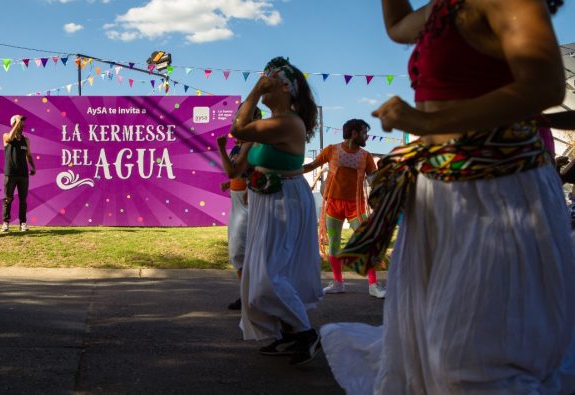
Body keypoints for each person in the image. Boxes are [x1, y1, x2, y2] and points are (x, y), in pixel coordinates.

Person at [320, 0, 575, 393]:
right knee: (429, 346)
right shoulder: (445, 6)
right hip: (441, 191)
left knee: (478, 359)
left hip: (495, 189)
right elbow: (399, 26)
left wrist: (429, 122)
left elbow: (545, 83)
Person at [231, 57, 323, 367]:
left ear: (285, 88)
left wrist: (256, 89)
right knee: (262, 271)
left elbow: (238, 127)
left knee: (268, 275)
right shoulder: (270, 124)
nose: (264, 83)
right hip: (265, 199)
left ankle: (306, 333)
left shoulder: (288, 122)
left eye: (271, 80)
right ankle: (289, 332)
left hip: (284, 199)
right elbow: (240, 154)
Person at [301, 119, 385, 298]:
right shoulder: (332, 150)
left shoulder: (366, 156)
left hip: (357, 206)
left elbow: (373, 180)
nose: (366, 136)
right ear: (354, 133)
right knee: (334, 244)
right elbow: (311, 166)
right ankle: (338, 283)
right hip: (333, 205)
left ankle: (373, 285)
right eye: (364, 132)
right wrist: (288, 170)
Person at [216, 107, 261, 311]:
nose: (236, 122)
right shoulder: (240, 146)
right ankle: (246, 294)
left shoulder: (253, 144)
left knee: (241, 251)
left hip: (248, 202)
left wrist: (221, 149)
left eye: (240, 119)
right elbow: (235, 175)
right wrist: (230, 185)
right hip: (238, 202)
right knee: (238, 251)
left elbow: (232, 171)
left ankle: (250, 297)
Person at [2, 114, 36, 232]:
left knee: (23, 200)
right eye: (20, 121)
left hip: (23, 174)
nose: (22, 124)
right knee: (8, 198)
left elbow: (29, 155)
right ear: (13, 123)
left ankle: (23, 223)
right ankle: (6, 223)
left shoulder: (26, 140)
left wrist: (33, 167)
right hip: (10, 173)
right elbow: (10, 138)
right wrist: (16, 122)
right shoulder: (6, 136)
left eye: (22, 122)